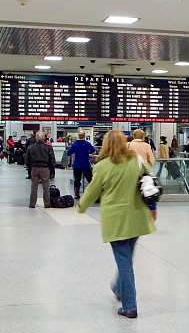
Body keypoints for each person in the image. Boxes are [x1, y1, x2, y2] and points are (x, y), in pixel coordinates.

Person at [77, 130, 157, 319]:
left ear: (105, 144)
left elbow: (92, 190)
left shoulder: (103, 166)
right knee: (126, 258)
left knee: (124, 262)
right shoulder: (137, 161)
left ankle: (130, 306)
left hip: (116, 220)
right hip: (137, 217)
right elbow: (149, 183)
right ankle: (118, 287)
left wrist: (81, 206)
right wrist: (153, 207)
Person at [26, 131, 56, 208]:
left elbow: (27, 160)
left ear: (36, 138)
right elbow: (52, 159)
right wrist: (51, 169)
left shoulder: (31, 147)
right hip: (45, 168)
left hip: (34, 168)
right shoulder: (48, 147)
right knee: (46, 187)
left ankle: (32, 204)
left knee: (34, 186)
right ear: (44, 138)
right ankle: (47, 203)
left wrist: (30, 168)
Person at [67, 131, 96, 198]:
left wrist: (74, 153)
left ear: (78, 136)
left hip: (77, 164)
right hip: (85, 164)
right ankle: (94, 193)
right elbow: (93, 151)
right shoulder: (87, 144)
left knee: (77, 179)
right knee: (90, 179)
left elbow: (68, 153)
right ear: (84, 136)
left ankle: (77, 194)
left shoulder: (75, 144)